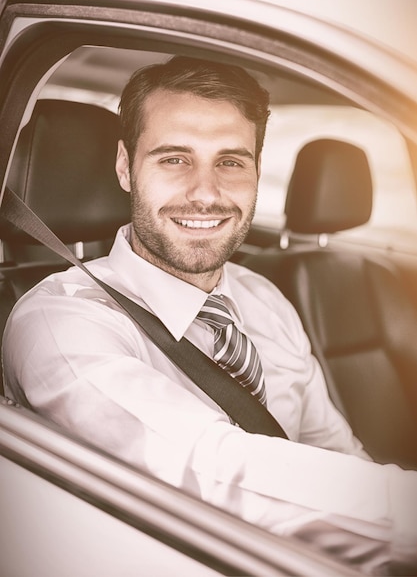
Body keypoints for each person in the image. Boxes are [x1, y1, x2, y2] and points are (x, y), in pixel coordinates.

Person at [3, 56, 417, 573]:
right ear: (125, 167)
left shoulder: (261, 296)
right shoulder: (62, 322)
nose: (206, 193)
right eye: (174, 159)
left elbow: (331, 449)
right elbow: (211, 468)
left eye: (231, 161)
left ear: (257, 172)